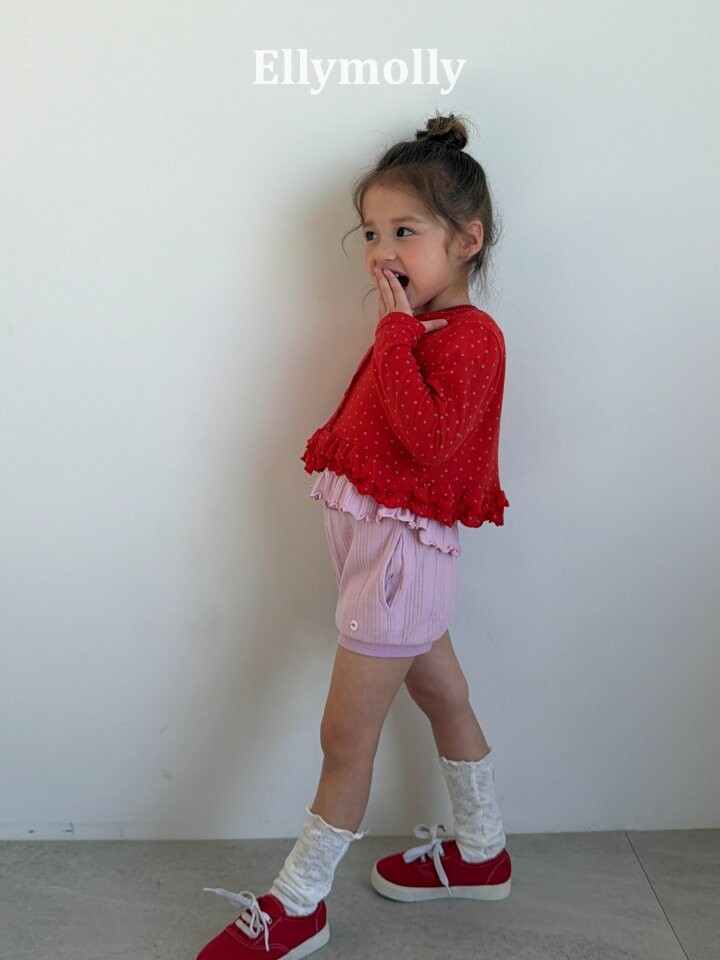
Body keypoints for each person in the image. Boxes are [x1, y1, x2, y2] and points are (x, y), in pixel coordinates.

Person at [195, 111, 512, 960]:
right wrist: (400, 330)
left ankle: (300, 903)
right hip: (387, 559)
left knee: (344, 741)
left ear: (468, 240)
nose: (382, 250)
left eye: (406, 231)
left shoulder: (467, 337)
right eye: (372, 232)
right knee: (444, 696)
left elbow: (429, 440)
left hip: (397, 564)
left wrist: (395, 332)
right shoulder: (419, 328)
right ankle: (482, 851)